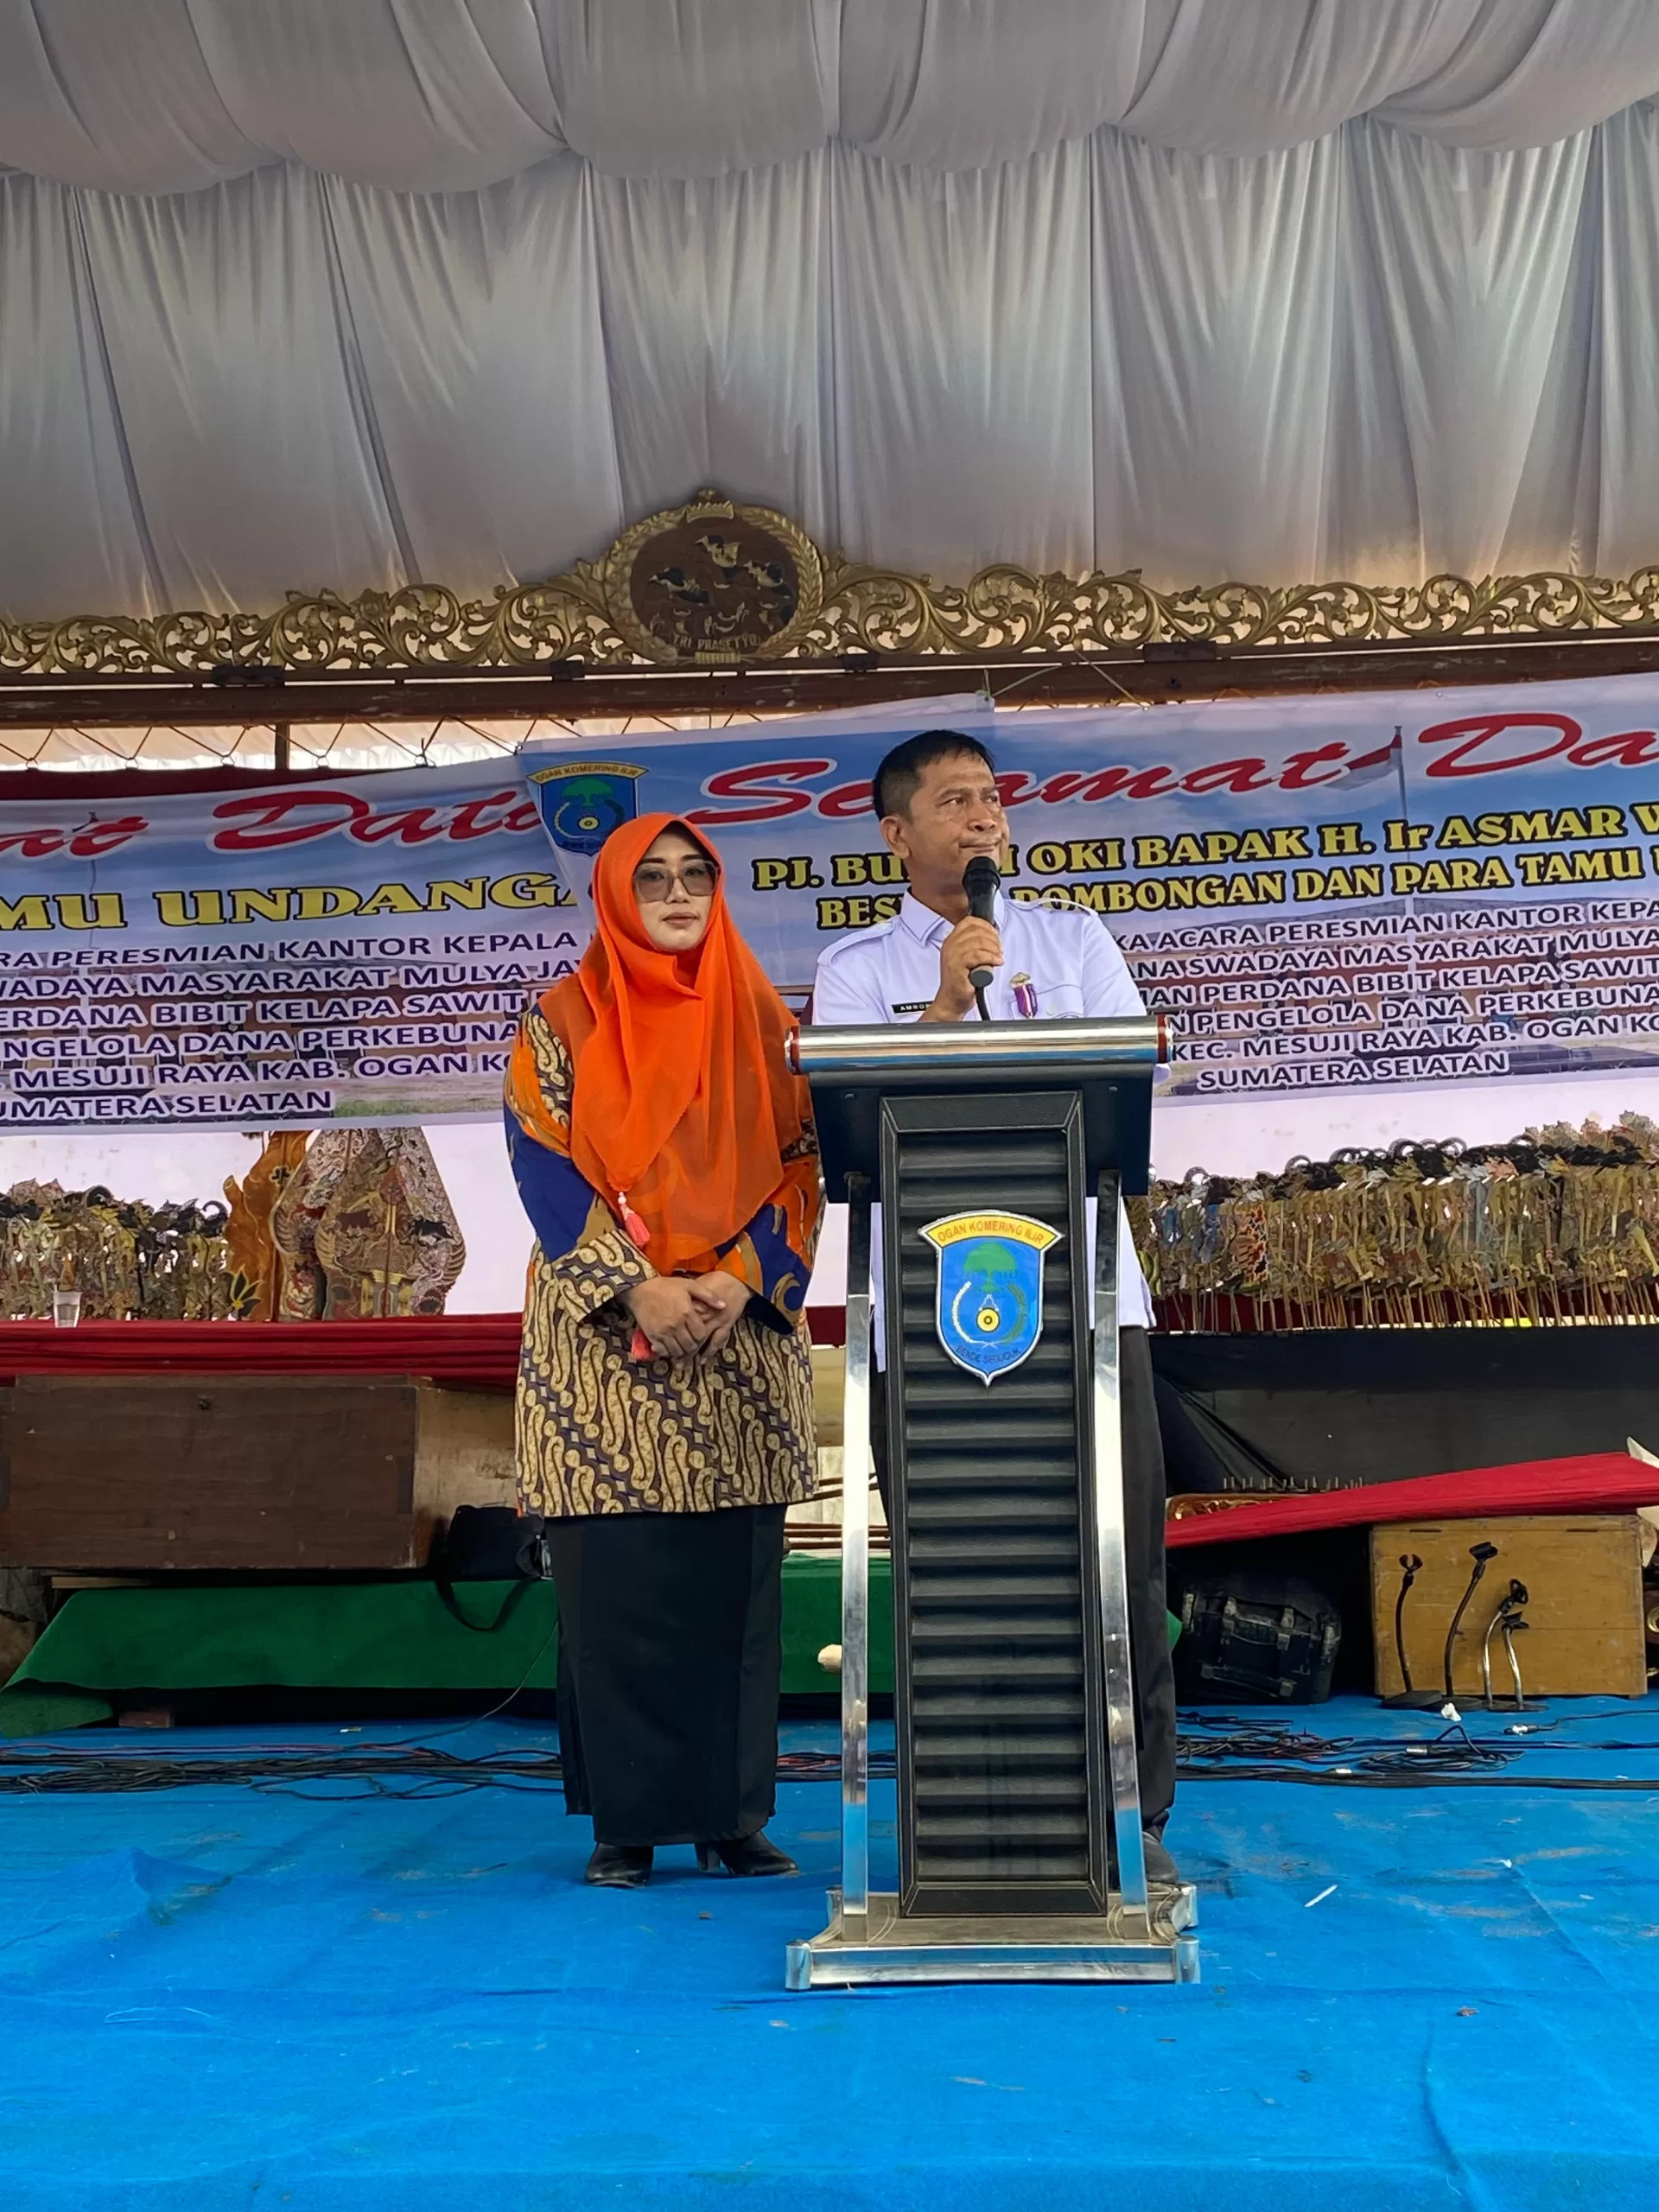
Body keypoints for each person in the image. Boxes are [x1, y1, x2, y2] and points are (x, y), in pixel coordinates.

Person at [810, 729, 1179, 1885]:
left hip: (1091, 1302)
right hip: (930, 1323)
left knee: (1121, 1561)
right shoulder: (856, 969)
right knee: (956, 1565)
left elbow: (1127, 1085)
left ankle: (1135, 1822)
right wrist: (941, 1004)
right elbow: (850, 1117)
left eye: (993, 797)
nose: (985, 817)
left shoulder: (1074, 940)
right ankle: (964, 1822)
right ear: (897, 834)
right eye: (955, 800)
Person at [505, 813, 823, 1890]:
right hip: (606, 1343)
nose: (679, 894)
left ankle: (733, 1819)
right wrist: (637, 1286)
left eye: (696, 875)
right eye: (653, 879)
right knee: (619, 1585)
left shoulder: (767, 1020)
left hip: (736, 1337)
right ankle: (628, 1826)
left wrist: (738, 1277)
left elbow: (802, 1164)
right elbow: (544, 1163)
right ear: (613, 894)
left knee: (734, 1588)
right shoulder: (561, 1019)